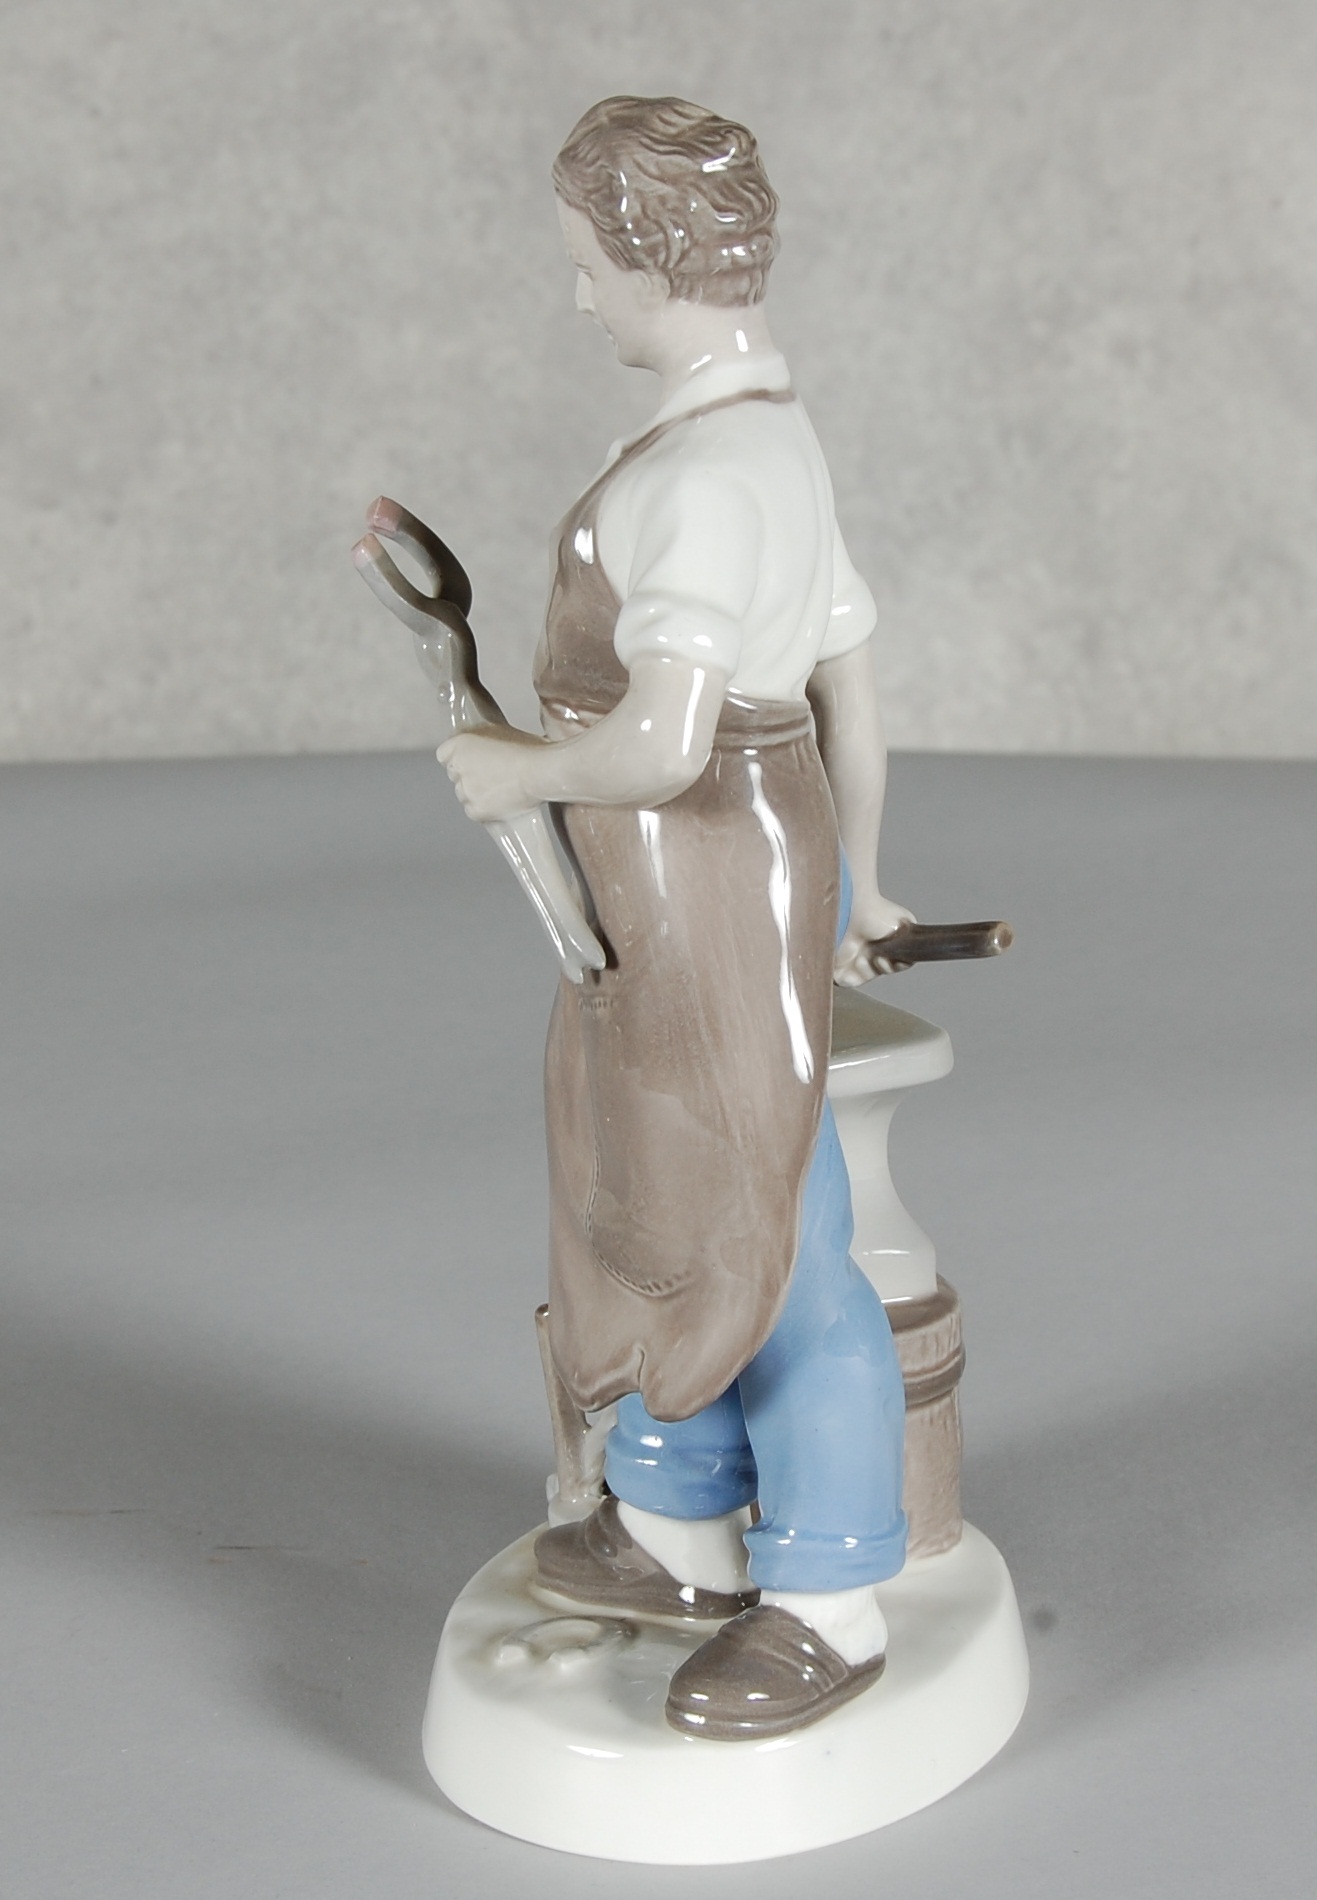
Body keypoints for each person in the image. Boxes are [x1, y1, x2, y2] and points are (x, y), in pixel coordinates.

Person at [440, 96, 913, 1740]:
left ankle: (831, 1593)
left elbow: (664, 743)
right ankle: (674, 1523)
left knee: (765, 1229)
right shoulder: (773, 433)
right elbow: (852, 695)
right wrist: (861, 877)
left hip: (702, 865)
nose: (580, 298)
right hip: (698, 879)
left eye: (588, 265)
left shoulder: (710, 475)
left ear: (651, 262)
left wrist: (516, 766)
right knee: (650, 1193)